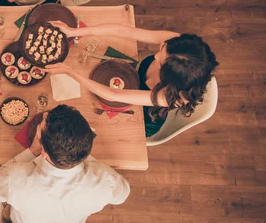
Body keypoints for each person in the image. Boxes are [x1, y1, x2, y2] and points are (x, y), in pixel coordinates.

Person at [45, 22, 219, 137]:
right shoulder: (177, 46)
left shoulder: (167, 96)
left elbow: (113, 95)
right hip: (130, 85)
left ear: (171, 78)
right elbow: (124, 30)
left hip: (145, 117)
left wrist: (71, 73)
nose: (156, 55)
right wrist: (76, 31)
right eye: (162, 48)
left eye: (161, 62)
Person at [0, 105, 130, 223]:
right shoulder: (105, 182)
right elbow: (122, 194)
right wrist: (81, 154)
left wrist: (32, 151)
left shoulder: (15, 178)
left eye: (40, 127)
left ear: (44, 152)